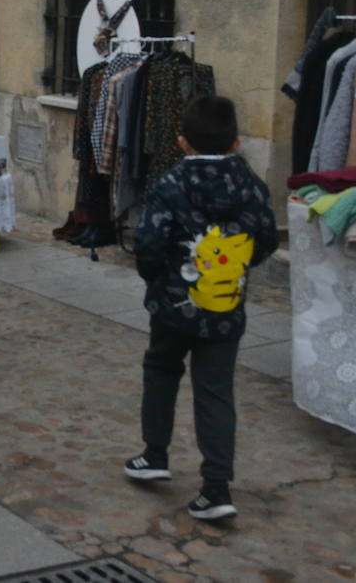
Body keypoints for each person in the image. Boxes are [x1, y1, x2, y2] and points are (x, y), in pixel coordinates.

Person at [124, 95, 278, 522]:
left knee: (160, 372)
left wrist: (158, 280)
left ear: (182, 142)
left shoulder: (170, 185)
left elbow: (149, 245)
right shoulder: (251, 185)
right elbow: (266, 239)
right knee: (215, 391)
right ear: (236, 142)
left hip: (173, 307)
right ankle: (216, 488)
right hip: (225, 308)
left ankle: (154, 454)